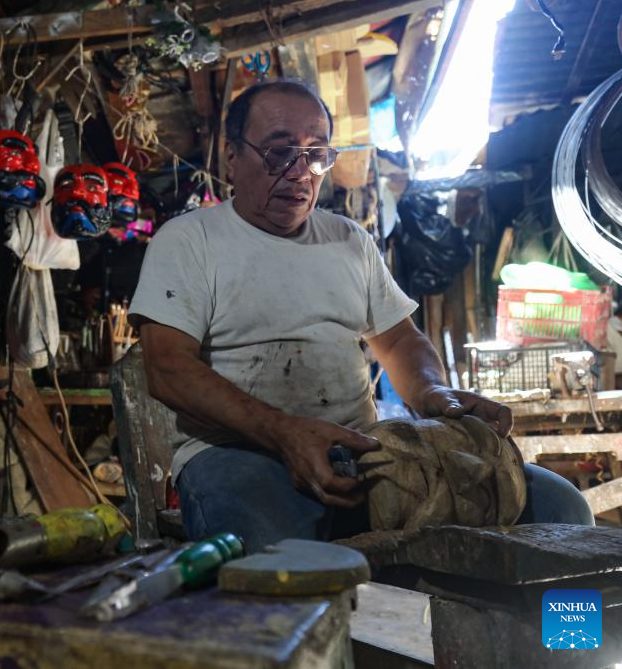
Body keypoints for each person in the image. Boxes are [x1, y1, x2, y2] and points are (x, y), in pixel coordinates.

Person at [128, 81, 593, 552]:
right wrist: (285, 433)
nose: (300, 173)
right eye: (280, 152)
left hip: (363, 450)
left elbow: (399, 341)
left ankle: (545, 615)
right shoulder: (190, 240)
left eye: (316, 155)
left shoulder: (349, 240)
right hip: (238, 453)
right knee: (281, 561)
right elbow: (168, 369)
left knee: (560, 510)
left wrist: (432, 392)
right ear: (231, 156)